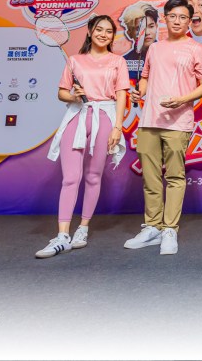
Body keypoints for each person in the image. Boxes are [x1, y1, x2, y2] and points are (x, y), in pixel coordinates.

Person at [124, 0, 202, 255]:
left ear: (189, 21)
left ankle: (170, 229)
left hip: (178, 121)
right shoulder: (155, 48)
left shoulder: (196, 49)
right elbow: (145, 77)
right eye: (173, 16)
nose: (177, 21)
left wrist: (182, 100)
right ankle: (152, 227)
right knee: (150, 177)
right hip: (149, 120)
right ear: (166, 18)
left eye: (183, 17)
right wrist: (140, 91)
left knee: (174, 177)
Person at [37, 15, 128, 258]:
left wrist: (118, 127)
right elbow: (61, 93)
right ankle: (62, 236)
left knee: (93, 176)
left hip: (105, 116)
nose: (103, 34)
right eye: (99, 29)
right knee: (70, 178)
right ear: (89, 31)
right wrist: (75, 96)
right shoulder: (74, 60)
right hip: (77, 116)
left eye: (109, 31)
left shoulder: (118, 61)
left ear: (113, 36)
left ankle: (83, 228)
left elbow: (121, 95)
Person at [119, 2, 159, 81]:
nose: (146, 32)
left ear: (156, 27)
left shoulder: (168, 55)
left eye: (151, 26)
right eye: (139, 28)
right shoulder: (124, 62)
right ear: (129, 33)